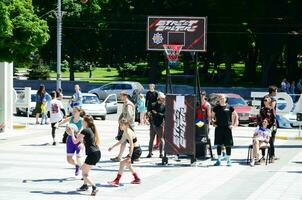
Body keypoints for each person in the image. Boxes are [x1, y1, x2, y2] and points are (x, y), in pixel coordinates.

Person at [70, 116, 101, 196]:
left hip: (92, 154)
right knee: (85, 171)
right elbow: (85, 140)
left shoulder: (85, 130)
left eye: (83, 121)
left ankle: (94, 187)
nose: (82, 123)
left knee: (84, 173)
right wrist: (82, 144)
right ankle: (85, 185)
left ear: (85, 122)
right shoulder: (91, 130)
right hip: (97, 153)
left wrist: (72, 132)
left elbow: (75, 141)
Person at [108, 118, 142, 186]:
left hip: (136, 150)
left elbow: (132, 145)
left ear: (126, 125)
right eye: (120, 125)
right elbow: (121, 141)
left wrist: (129, 156)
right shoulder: (125, 131)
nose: (120, 127)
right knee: (128, 165)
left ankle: (116, 181)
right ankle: (137, 179)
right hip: (135, 150)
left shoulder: (128, 133)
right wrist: (112, 147)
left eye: (121, 125)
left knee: (122, 163)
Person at [55, 106, 83, 176]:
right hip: (70, 140)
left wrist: (80, 133)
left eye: (75, 111)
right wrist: (58, 124)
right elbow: (63, 121)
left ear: (79, 112)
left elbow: (85, 128)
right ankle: (77, 165)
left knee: (79, 158)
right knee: (69, 160)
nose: (73, 112)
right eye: (73, 111)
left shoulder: (81, 120)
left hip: (78, 140)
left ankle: (84, 174)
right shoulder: (71, 118)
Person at [212, 94, 238, 167]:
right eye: (220, 98)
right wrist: (213, 123)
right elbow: (212, 117)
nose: (221, 99)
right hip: (219, 128)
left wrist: (234, 125)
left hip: (227, 128)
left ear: (226, 99)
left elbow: (236, 115)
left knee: (228, 144)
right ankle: (219, 160)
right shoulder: (216, 108)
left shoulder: (230, 107)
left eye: (223, 98)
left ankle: (228, 160)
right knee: (219, 144)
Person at [110, 91, 135, 162]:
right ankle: (119, 156)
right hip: (125, 124)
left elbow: (129, 116)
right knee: (123, 141)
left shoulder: (129, 104)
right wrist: (119, 119)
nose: (120, 97)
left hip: (128, 125)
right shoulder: (125, 103)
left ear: (125, 96)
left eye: (121, 96)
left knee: (132, 141)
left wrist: (123, 123)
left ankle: (134, 155)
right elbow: (123, 113)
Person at [260, 86, 278, 162]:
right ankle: (271, 156)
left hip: (264, 122)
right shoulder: (273, 99)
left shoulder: (263, 98)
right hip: (270, 122)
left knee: (263, 138)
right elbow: (272, 109)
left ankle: (264, 156)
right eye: (276, 91)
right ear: (273, 91)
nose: (277, 92)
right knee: (271, 139)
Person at [146, 92, 165, 158]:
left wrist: (157, 113)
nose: (163, 100)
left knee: (161, 139)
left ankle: (161, 153)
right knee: (151, 139)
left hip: (160, 125)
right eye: (162, 98)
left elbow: (164, 115)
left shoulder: (164, 106)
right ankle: (150, 153)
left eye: (163, 99)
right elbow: (148, 112)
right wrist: (148, 115)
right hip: (152, 124)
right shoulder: (153, 104)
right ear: (159, 98)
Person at [195, 90, 211, 158]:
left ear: (205, 95)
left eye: (202, 94)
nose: (201, 96)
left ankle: (209, 150)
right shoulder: (196, 103)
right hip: (197, 121)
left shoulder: (207, 105)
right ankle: (196, 150)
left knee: (205, 137)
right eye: (200, 94)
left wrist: (209, 124)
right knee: (196, 136)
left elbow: (209, 115)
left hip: (204, 122)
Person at [145, 84, 160, 149]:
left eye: (151, 87)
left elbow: (157, 100)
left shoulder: (156, 93)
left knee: (154, 115)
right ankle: (150, 121)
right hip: (149, 106)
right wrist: (146, 107)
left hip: (154, 106)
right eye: (149, 87)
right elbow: (146, 100)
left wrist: (156, 106)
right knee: (150, 116)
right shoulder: (148, 93)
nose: (150, 88)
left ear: (153, 87)